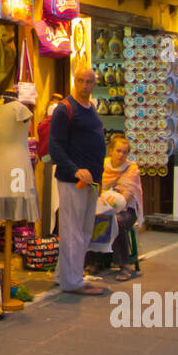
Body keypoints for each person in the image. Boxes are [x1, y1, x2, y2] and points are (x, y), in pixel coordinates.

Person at [48, 64, 107, 295]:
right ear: (74, 80)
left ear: (94, 84)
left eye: (89, 81)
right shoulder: (64, 109)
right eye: (81, 81)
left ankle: (65, 275)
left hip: (91, 182)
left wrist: (98, 181)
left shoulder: (91, 108)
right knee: (72, 231)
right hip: (73, 180)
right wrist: (74, 170)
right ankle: (72, 283)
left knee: (83, 232)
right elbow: (55, 147)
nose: (85, 86)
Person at [97, 134, 143, 281]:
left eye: (125, 152)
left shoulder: (132, 169)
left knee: (116, 221)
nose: (121, 155)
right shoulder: (102, 166)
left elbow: (126, 198)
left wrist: (109, 202)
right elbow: (96, 188)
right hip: (103, 205)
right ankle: (94, 261)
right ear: (111, 150)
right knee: (90, 218)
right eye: (118, 151)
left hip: (126, 209)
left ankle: (124, 265)